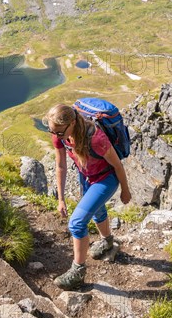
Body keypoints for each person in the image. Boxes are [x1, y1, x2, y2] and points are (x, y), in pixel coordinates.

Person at [43, 103, 131, 290]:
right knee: (97, 209)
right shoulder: (61, 136)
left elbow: (117, 165)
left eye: (59, 132)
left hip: (106, 179)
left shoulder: (96, 138)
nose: (56, 136)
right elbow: (60, 166)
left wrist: (125, 190)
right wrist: (61, 199)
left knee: (76, 223)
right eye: (52, 131)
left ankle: (77, 272)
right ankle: (107, 242)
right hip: (87, 175)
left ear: (72, 123)